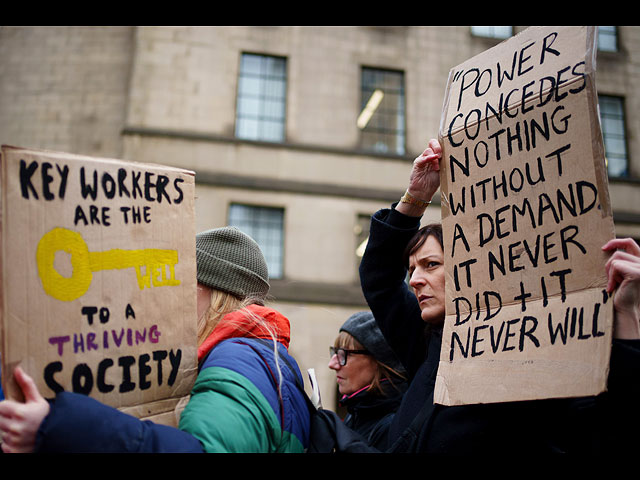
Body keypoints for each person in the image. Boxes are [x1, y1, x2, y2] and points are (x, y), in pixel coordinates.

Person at [359, 139, 640, 453]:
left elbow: (604, 424)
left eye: (431, 265)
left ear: (472, 270)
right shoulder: (426, 343)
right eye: (411, 270)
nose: (414, 281)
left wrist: (626, 315)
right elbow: (379, 279)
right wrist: (417, 197)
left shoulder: (537, 343)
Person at [0, 226, 311, 453]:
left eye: (183, 282)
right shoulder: (259, 354)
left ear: (210, 290)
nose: (169, 293)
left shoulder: (238, 357)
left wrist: (55, 425)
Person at [328, 311, 407, 450]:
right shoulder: (358, 412)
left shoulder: (392, 426)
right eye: (335, 353)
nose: (332, 364)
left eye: (344, 354)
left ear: (378, 360)